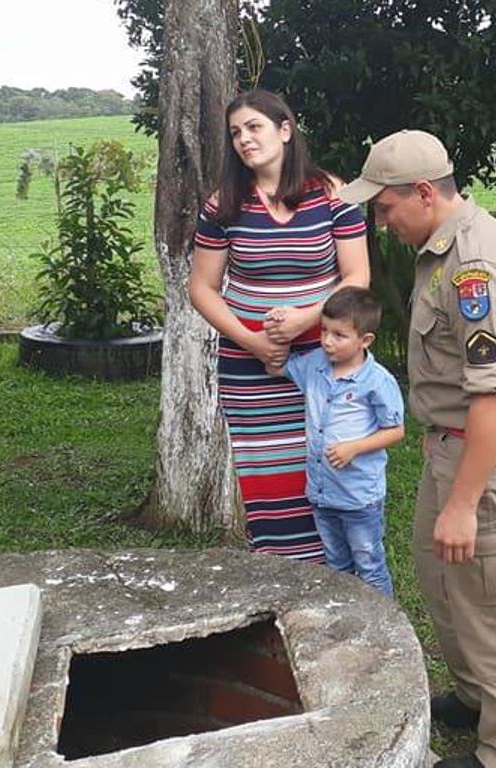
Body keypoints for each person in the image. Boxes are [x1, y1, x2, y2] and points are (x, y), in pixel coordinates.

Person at [339, 130, 496, 768]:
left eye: (384, 207)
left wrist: (463, 503)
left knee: (491, 605)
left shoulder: (474, 265)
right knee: (441, 582)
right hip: (450, 448)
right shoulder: (439, 247)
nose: (379, 221)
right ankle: (477, 697)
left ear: (424, 192)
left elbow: (493, 398)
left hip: (489, 456)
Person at [189, 90, 369, 562]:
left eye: (254, 127)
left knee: (332, 465)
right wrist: (253, 342)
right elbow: (202, 288)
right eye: (235, 133)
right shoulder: (224, 204)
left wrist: (303, 322)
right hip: (253, 370)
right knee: (270, 479)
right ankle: (282, 586)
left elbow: (357, 276)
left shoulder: (331, 192)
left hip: (327, 358)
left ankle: (339, 586)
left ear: (285, 130)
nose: (244, 140)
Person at [268, 286, 405, 595]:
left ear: (365, 340)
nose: (327, 341)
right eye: (324, 331)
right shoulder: (314, 365)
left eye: (339, 335)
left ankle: (382, 628)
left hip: (359, 497)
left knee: (369, 564)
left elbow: (396, 431)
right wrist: (277, 327)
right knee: (336, 564)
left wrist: (354, 447)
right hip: (321, 493)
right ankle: (345, 621)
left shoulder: (377, 381)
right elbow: (275, 365)